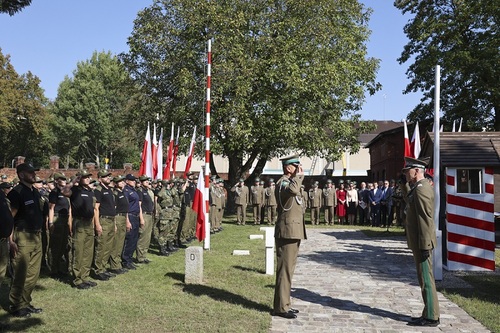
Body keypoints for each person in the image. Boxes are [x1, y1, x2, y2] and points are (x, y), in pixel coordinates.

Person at [402, 157, 440, 327]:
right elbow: (409, 201)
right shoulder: (418, 187)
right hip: (419, 240)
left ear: (416, 171)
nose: (405, 173)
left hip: (422, 241)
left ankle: (432, 316)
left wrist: (425, 244)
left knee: (426, 277)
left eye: (407, 170)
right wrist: (404, 184)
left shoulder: (422, 189)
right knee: (423, 277)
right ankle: (428, 312)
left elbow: (425, 218)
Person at [7, 163, 44, 317]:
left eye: (33, 172)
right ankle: (16, 306)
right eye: (30, 172)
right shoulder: (16, 193)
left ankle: (25, 302)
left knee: (33, 274)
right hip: (22, 237)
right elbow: (10, 218)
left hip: (36, 236)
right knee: (21, 273)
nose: (33, 174)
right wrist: (11, 241)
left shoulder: (34, 191)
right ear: (21, 175)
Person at [272, 154, 306, 319]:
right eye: (296, 166)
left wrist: (298, 179)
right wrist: (298, 178)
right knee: (284, 271)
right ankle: (280, 308)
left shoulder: (292, 182)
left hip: (292, 231)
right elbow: (292, 191)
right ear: (288, 168)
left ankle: (284, 304)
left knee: (288, 271)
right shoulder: (283, 183)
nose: (299, 169)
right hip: (286, 232)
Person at [63, 169, 97, 290]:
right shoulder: (75, 190)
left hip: (89, 223)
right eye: (85, 177)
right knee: (79, 251)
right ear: (79, 178)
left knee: (88, 252)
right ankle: (77, 279)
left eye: (88, 177)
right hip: (79, 223)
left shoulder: (90, 191)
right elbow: (64, 192)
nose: (88, 178)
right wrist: (73, 182)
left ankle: (85, 277)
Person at [92, 170, 116, 280]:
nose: (108, 178)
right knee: (101, 246)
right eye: (105, 176)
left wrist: (114, 223)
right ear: (100, 178)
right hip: (103, 220)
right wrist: (97, 224)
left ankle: (103, 267)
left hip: (111, 220)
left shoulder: (109, 190)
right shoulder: (98, 190)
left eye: (108, 176)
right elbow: (96, 208)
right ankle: (98, 270)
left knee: (108, 246)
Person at [48, 172, 72, 278]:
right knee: (56, 246)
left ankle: (60, 268)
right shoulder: (54, 192)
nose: (64, 180)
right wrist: (51, 222)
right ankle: (54, 270)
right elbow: (51, 208)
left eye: (64, 179)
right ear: (56, 180)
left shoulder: (66, 192)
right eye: (61, 179)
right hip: (57, 218)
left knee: (63, 245)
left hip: (65, 219)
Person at [122, 174, 144, 270]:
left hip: (135, 216)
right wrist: (127, 221)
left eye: (134, 180)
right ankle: (125, 260)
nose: (134, 181)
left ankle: (130, 259)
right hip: (130, 216)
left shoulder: (133, 190)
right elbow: (126, 206)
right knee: (129, 239)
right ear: (127, 181)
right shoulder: (126, 191)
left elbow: (138, 205)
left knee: (134, 239)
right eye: (132, 180)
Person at [109, 175, 129, 274]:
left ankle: (118, 263)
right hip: (118, 217)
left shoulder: (122, 192)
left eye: (123, 181)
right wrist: (115, 223)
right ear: (116, 183)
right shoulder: (115, 193)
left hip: (123, 217)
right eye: (120, 181)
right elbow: (114, 208)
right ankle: (114, 265)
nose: (123, 183)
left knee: (121, 242)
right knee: (116, 242)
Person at [136, 175, 155, 264]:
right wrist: (141, 218)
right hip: (144, 215)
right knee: (142, 237)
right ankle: (140, 257)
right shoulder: (140, 191)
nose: (147, 181)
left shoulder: (148, 191)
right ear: (141, 182)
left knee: (147, 237)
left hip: (150, 215)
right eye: (145, 180)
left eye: (148, 180)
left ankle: (144, 256)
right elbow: (139, 205)